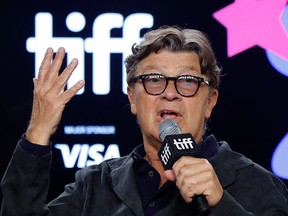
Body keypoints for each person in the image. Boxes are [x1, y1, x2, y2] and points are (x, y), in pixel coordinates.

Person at [1, 25, 288, 216]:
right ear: (132, 99)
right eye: (154, 80)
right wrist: (37, 132)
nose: (170, 93)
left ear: (210, 100)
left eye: (187, 81)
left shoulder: (257, 184)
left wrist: (220, 204)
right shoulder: (94, 186)